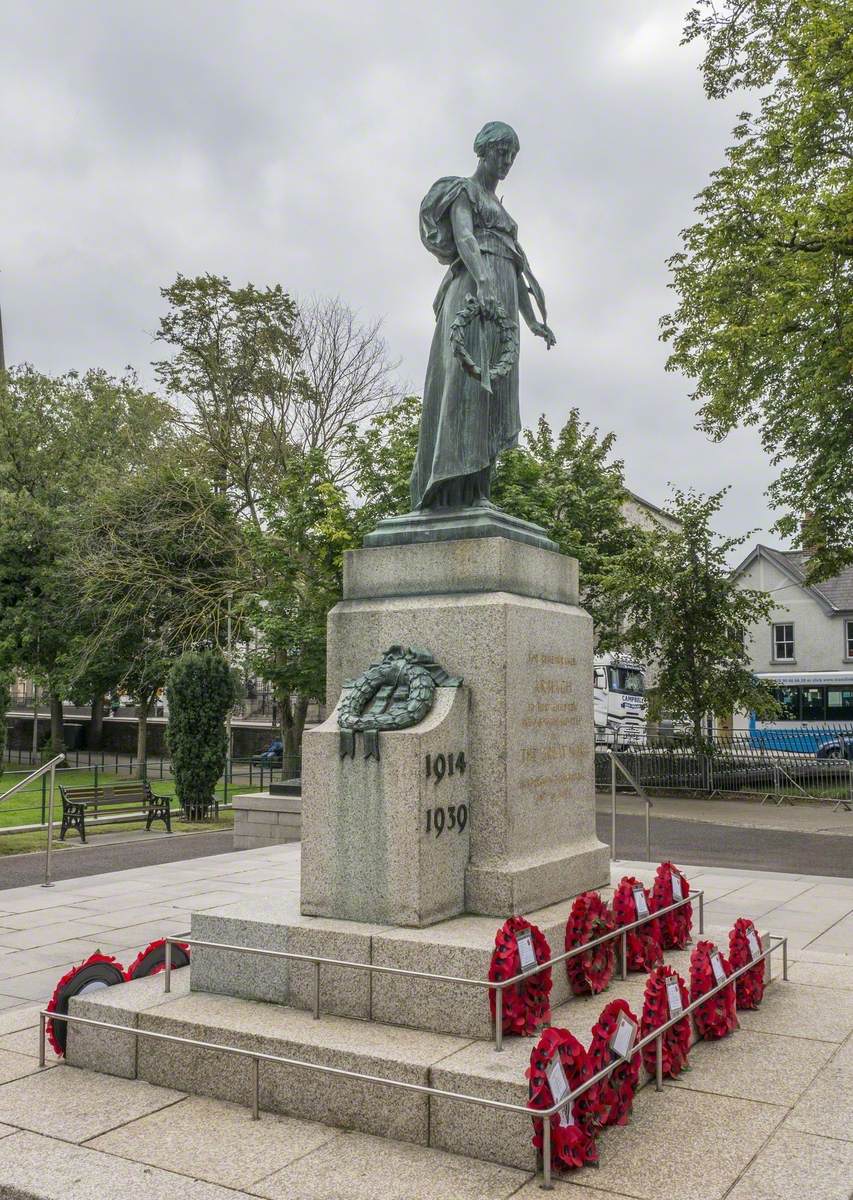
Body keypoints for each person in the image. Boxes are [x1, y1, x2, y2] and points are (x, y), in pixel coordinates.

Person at [410, 121, 555, 511]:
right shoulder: (464, 190)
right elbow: (465, 237)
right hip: (473, 294)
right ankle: (450, 490)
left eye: (512, 155)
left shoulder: (505, 216)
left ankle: (479, 492)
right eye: (501, 152)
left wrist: (531, 319)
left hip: (502, 299)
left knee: (493, 398)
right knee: (465, 389)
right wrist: (485, 282)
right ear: (483, 151)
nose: (506, 161)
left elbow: (516, 265)